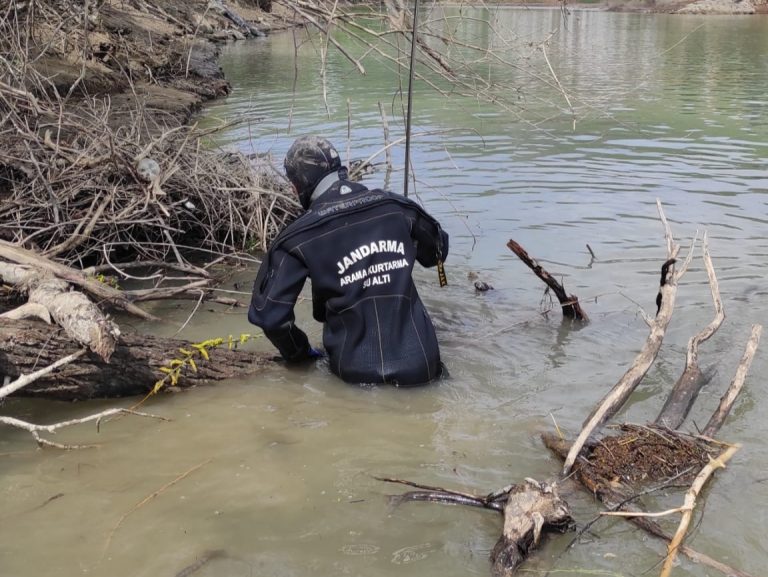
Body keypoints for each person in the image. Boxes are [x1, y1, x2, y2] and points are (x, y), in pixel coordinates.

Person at [248, 135, 449, 386]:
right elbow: (438, 253)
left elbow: (269, 316)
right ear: (340, 170)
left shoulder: (296, 238)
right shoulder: (398, 208)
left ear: (297, 187)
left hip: (353, 374)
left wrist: (299, 355)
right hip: (422, 366)